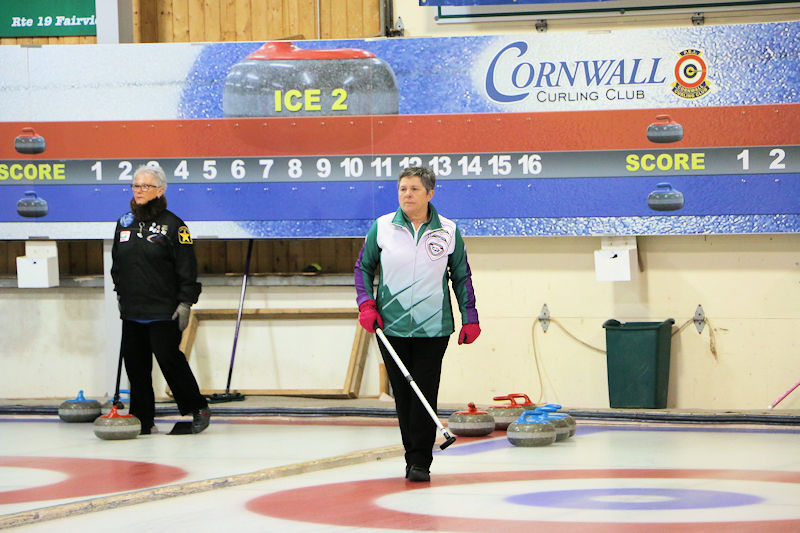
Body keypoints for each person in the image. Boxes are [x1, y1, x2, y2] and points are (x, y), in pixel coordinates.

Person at [354, 166, 480, 482]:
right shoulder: (382, 227)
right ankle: (412, 455)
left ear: (429, 194)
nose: (407, 195)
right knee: (404, 393)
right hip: (390, 327)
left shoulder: (448, 230)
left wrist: (470, 317)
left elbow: (461, 276)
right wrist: (366, 304)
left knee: (424, 391)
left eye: (414, 189)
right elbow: (363, 268)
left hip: (433, 328)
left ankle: (420, 461)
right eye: (402, 189)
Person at [111, 164, 209, 434]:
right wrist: (120, 294)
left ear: (161, 190)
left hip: (165, 309)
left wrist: (186, 302)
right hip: (133, 308)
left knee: (169, 359)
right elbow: (117, 264)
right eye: (135, 185)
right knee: (136, 366)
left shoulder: (174, 225)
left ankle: (197, 407)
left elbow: (187, 267)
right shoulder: (124, 223)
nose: (139, 190)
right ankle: (142, 418)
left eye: (146, 186)